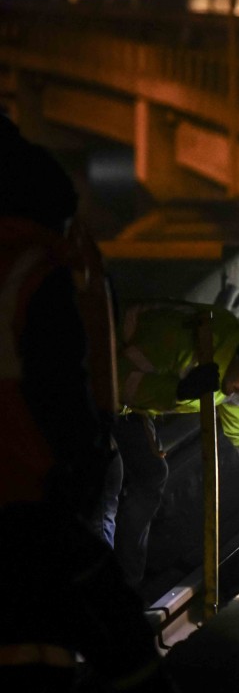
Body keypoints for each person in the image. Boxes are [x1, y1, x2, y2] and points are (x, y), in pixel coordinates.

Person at [1, 117, 177, 692]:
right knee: (115, 637)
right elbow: (62, 385)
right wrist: (83, 461)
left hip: (31, 489)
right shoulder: (36, 267)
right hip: (31, 494)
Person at [112, 301, 239, 586]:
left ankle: (124, 584)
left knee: (150, 475)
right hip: (93, 381)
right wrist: (178, 391)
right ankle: (98, 583)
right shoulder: (186, 343)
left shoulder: (233, 378)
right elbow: (119, 380)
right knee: (106, 483)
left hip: (129, 407)